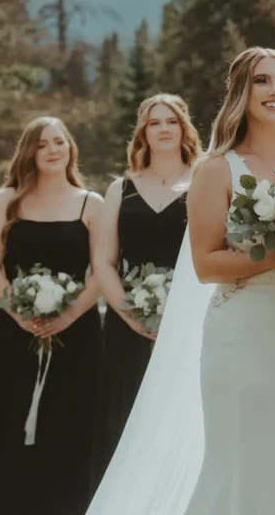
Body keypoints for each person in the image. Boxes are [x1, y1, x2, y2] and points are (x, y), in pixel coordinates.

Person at [89, 46, 275, 515]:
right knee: (241, 462)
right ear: (240, 93)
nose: (274, 90)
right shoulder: (217, 168)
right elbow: (207, 263)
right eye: (261, 81)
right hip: (243, 336)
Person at [0, 117, 103, 515]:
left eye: (59, 142)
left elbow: (102, 270)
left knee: (68, 422)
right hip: (14, 330)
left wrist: (69, 317)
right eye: (43, 144)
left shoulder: (91, 203)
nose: (52, 150)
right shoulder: (7, 199)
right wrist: (17, 312)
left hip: (76, 332)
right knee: (7, 420)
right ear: (29, 151)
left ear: (70, 149)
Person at [93, 93, 201, 479]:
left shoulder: (205, 180)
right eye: (154, 123)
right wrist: (133, 315)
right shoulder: (121, 189)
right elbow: (103, 262)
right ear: (143, 133)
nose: (163, 129)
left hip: (190, 327)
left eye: (171, 121)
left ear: (184, 127)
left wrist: (182, 315)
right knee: (126, 418)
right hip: (129, 329)